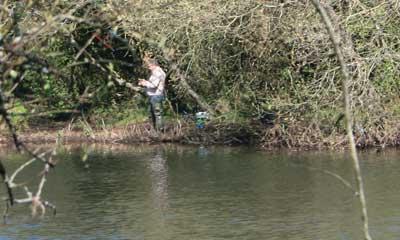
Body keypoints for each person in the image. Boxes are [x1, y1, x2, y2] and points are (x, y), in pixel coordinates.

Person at [138, 59, 166, 131]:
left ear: (154, 65)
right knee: (153, 114)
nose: (148, 67)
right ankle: (155, 130)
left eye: (149, 66)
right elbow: (153, 83)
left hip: (156, 95)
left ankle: (159, 131)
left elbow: (154, 85)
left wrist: (144, 83)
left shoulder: (157, 73)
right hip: (155, 95)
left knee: (157, 114)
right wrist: (146, 81)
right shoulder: (158, 72)